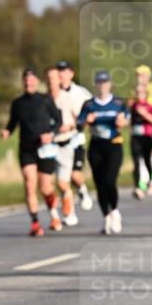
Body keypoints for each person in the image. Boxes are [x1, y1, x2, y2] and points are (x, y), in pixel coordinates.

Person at [1, 68, 62, 236]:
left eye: (32, 80)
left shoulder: (45, 99)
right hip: (26, 148)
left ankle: (53, 214)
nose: (29, 83)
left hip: (45, 148)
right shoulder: (18, 103)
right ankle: (35, 222)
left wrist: (51, 134)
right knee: (29, 183)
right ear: (23, 82)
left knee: (45, 187)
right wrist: (7, 131)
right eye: (26, 80)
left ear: (37, 82)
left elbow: (58, 120)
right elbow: (12, 123)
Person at [78, 71, 129, 234]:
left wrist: (122, 121)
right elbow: (79, 124)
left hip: (113, 145)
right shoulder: (89, 104)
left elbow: (126, 119)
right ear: (96, 85)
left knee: (109, 180)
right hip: (96, 146)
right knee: (99, 183)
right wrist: (87, 121)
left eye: (105, 82)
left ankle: (114, 210)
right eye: (99, 83)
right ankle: (106, 216)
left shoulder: (118, 103)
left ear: (110, 84)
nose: (102, 86)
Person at [57, 61, 94, 211]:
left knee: (75, 175)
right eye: (59, 70)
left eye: (64, 71)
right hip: (57, 140)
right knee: (61, 180)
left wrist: (74, 124)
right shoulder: (53, 93)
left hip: (76, 139)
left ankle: (82, 190)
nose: (61, 74)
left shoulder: (81, 93)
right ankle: (69, 210)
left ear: (71, 73)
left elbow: (90, 114)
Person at [46, 66, 79, 225]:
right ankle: (54, 216)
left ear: (59, 80)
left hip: (64, 143)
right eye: (48, 79)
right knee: (46, 184)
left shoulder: (67, 98)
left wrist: (70, 126)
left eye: (54, 78)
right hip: (47, 146)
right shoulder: (44, 99)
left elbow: (78, 119)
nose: (51, 82)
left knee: (62, 182)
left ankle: (69, 207)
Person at [129, 81, 152, 200]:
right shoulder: (133, 107)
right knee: (136, 161)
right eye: (137, 92)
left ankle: (151, 180)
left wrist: (145, 114)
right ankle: (137, 187)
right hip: (135, 137)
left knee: (147, 160)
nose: (139, 94)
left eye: (141, 92)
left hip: (147, 137)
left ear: (145, 93)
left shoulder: (149, 106)